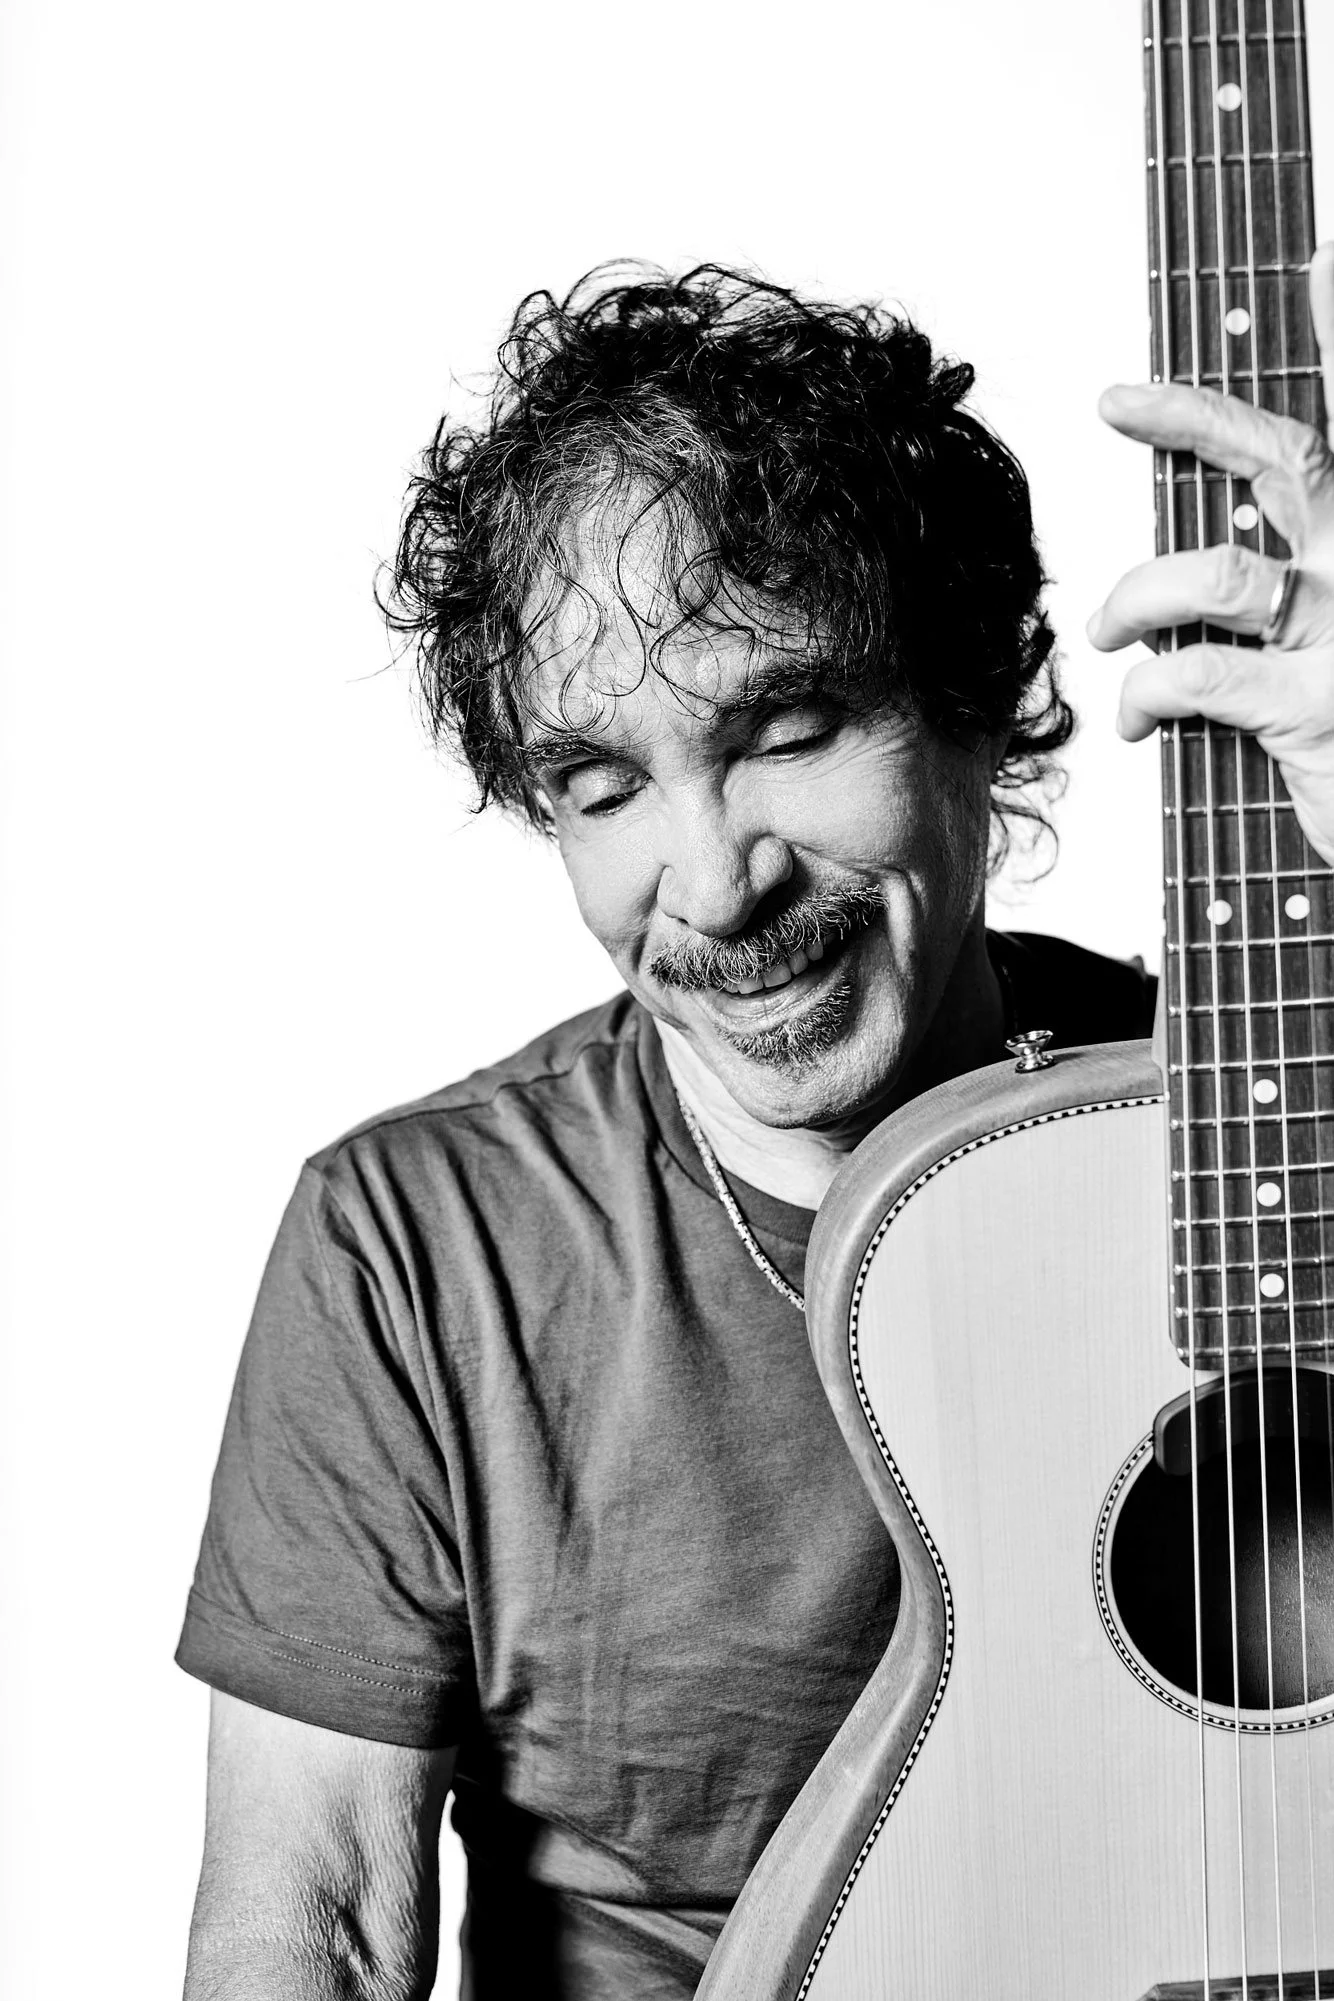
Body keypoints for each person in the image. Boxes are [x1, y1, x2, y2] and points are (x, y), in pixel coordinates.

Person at [178, 259, 1334, 2000]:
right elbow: (313, 1916)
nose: (715, 885)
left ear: (974, 698)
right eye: (602, 788)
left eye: (790, 732)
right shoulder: (414, 1242)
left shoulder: (1268, 1127)